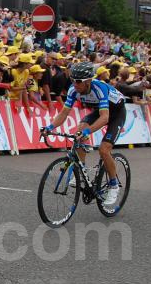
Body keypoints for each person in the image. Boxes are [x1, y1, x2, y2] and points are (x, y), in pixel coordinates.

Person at [42, 62, 126, 205]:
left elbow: (105, 117)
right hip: (98, 112)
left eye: (79, 81)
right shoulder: (73, 90)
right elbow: (63, 113)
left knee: (104, 150)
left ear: (88, 81)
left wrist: (88, 131)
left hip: (116, 113)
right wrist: (49, 127)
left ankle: (113, 185)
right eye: (73, 80)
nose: (75, 84)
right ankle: (81, 171)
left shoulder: (99, 89)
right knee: (79, 132)